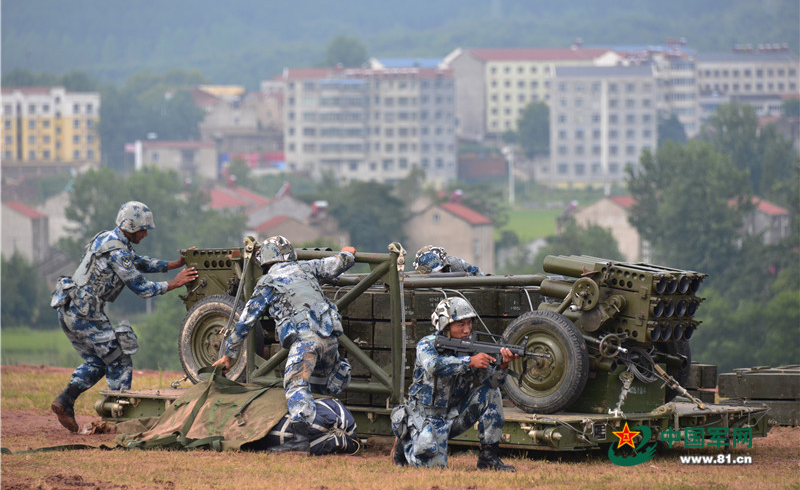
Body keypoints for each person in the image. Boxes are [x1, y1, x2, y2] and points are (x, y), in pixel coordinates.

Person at [49, 201, 198, 432]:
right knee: (119, 358)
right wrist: (174, 283)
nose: (146, 233)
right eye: (143, 228)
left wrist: (173, 264)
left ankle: (65, 400)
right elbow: (142, 288)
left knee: (98, 361)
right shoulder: (119, 251)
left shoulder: (108, 239)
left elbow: (138, 262)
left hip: (69, 308)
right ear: (130, 226)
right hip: (86, 313)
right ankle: (119, 421)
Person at [213, 235, 356, 453]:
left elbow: (245, 321)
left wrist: (228, 355)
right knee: (318, 386)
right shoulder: (306, 267)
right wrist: (348, 252)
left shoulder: (267, 282)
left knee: (296, 385)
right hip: (330, 338)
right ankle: (323, 433)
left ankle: (299, 441)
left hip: (305, 341)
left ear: (266, 262)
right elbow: (337, 264)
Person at [391, 296, 518, 470]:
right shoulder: (427, 345)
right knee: (433, 468)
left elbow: (492, 382)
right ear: (445, 325)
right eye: (460, 324)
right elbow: (434, 366)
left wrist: (503, 364)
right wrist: (468, 362)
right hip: (425, 418)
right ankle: (405, 442)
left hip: (454, 415)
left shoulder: (471, 348)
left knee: (490, 393)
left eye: (469, 323)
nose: (467, 330)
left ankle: (489, 458)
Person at [413, 245, 485, 276]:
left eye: (441, 270)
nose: (440, 274)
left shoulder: (459, 265)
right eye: (434, 274)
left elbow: (481, 277)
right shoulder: (420, 281)